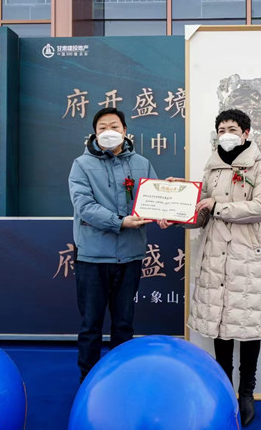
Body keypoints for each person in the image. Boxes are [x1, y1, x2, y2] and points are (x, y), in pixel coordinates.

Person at [158, 108, 261, 427]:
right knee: (220, 324)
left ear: (246, 133)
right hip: (215, 258)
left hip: (247, 258)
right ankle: (224, 389)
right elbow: (201, 214)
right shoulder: (213, 167)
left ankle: (246, 392)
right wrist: (178, 210)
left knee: (248, 326)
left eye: (232, 129)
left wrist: (218, 206)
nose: (227, 135)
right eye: (222, 130)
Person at [68, 107, 156, 383]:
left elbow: (154, 199)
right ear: (94, 134)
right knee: (91, 325)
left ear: (125, 130)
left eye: (114, 126)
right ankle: (88, 381)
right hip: (93, 258)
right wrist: (120, 221)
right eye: (102, 127)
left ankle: (120, 380)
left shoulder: (142, 163)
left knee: (124, 324)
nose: (109, 132)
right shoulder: (81, 165)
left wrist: (167, 207)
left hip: (130, 256)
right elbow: (84, 206)